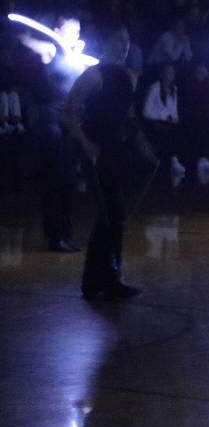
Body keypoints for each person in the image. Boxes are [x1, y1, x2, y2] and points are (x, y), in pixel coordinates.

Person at [63, 25, 156, 300]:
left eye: (128, 39)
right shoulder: (93, 75)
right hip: (96, 151)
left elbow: (129, 117)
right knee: (109, 214)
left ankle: (105, 278)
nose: (125, 44)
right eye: (118, 38)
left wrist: (143, 147)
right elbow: (68, 113)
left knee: (115, 216)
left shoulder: (128, 77)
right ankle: (96, 281)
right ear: (106, 43)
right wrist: (86, 144)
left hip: (116, 149)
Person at [20, 14, 85, 252]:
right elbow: (25, 38)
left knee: (68, 177)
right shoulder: (50, 47)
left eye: (78, 31)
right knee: (55, 176)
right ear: (57, 31)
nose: (75, 35)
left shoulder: (75, 57)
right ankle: (55, 235)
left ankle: (66, 233)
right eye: (70, 30)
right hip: (51, 117)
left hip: (70, 119)